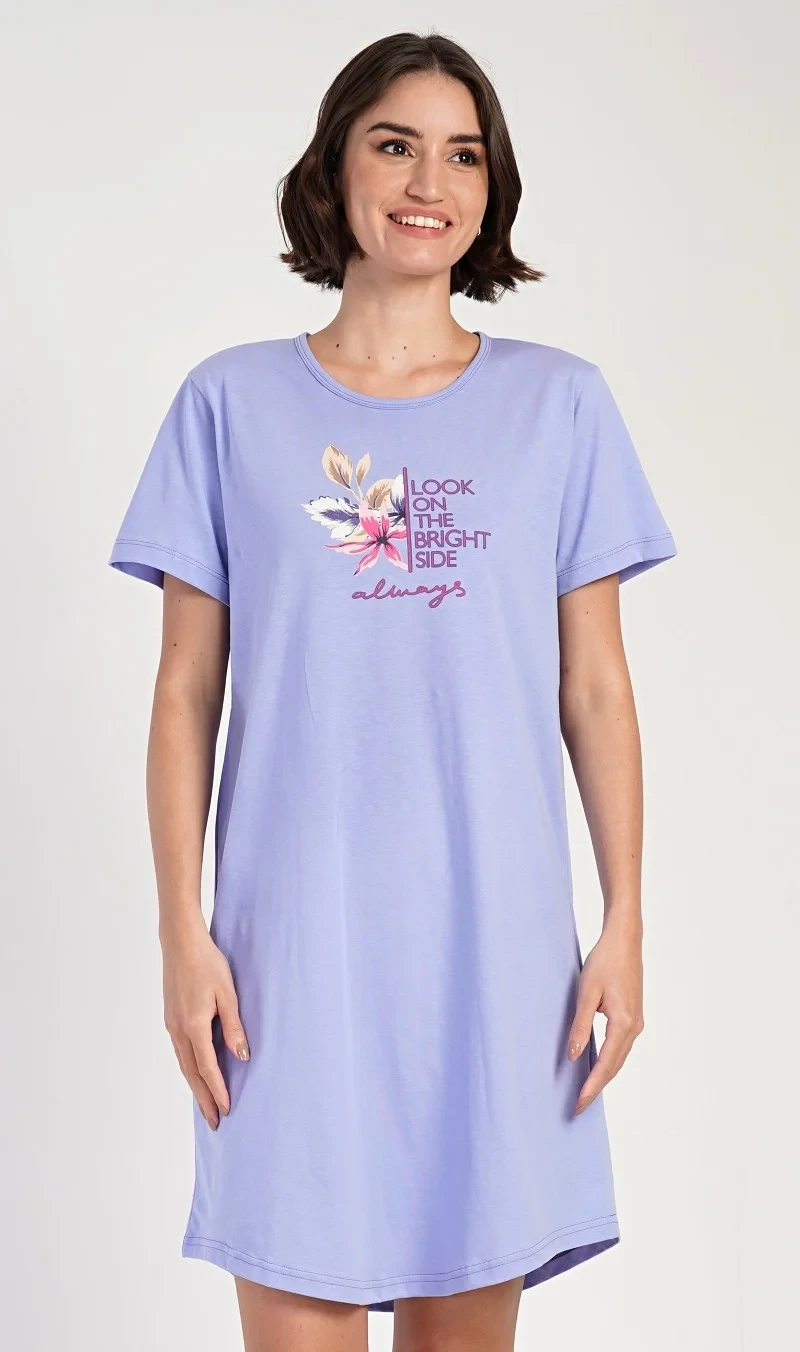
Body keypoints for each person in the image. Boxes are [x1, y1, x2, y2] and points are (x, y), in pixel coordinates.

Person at [107, 29, 677, 1352]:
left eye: (464, 155)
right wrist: (180, 932)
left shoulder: (560, 407)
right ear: (334, 170)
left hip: (498, 955)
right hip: (287, 960)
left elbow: (596, 688)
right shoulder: (228, 405)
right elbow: (185, 693)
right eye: (396, 144)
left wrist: (627, 922)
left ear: (492, 189)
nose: (431, 183)